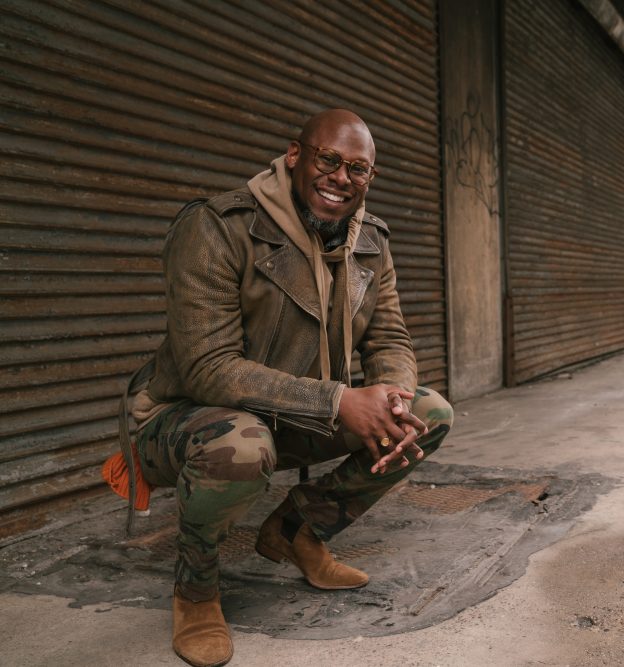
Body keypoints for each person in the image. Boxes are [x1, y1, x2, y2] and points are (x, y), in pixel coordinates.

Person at [119, 109, 453, 667]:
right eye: (329, 160)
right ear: (295, 156)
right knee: (243, 445)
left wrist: (393, 395)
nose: (341, 178)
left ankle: (296, 530)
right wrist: (338, 400)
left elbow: (390, 337)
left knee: (429, 413)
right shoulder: (218, 227)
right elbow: (209, 369)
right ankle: (196, 587)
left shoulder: (370, 240)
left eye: (359, 169)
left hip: (293, 416)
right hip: (185, 420)